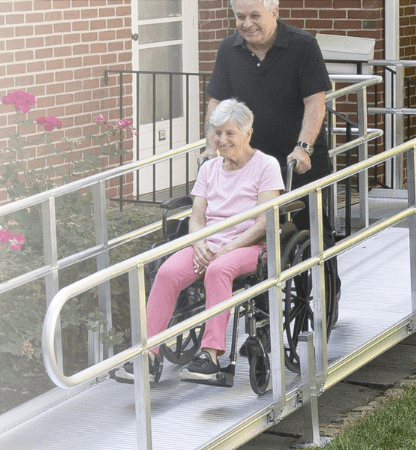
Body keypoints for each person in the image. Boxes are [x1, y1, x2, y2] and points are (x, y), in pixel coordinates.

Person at [116, 99, 284, 382]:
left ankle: (210, 355)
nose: (222, 140)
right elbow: (196, 219)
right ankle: (148, 356)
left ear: (248, 133)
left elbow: (264, 223)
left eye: (230, 133)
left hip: (249, 246)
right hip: (208, 245)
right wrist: (199, 244)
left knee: (218, 270)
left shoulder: (266, 165)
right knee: (167, 272)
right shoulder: (209, 168)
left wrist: (228, 248)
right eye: (217, 133)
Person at [206, 0, 330, 231]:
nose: (247, 24)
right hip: (249, 162)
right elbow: (216, 101)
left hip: (295, 161)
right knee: (251, 232)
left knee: (310, 232)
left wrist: (303, 147)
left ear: (275, 12)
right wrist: (212, 146)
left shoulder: (302, 44)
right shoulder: (228, 48)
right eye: (240, 17)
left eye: (255, 16)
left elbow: (315, 101)